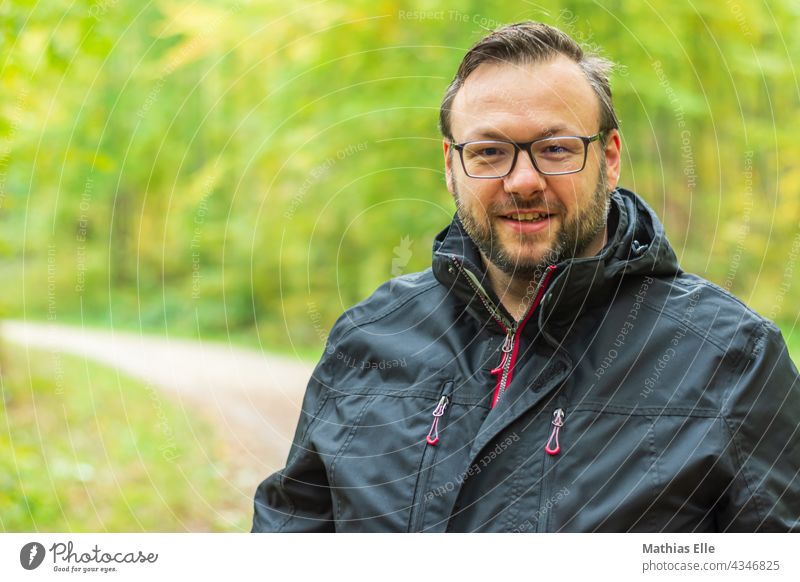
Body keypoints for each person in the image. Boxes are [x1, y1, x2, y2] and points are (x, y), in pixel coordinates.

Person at [252, 21, 799, 532]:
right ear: (450, 166)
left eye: (555, 149)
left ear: (609, 158)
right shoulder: (367, 339)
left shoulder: (730, 359)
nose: (523, 181)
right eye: (489, 152)